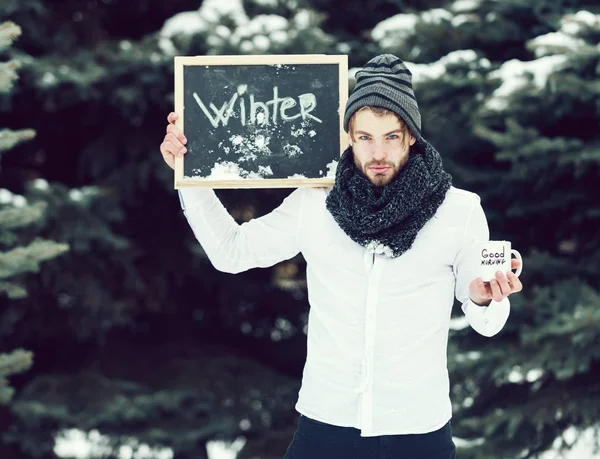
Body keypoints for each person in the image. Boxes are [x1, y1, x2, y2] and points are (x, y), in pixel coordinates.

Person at [159, 54, 523, 459]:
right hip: (325, 425)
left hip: (418, 431)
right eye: (365, 137)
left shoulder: (459, 210)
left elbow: (488, 322)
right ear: (349, 136)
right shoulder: (315, 203)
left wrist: (483, 298)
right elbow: (231, 252)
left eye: (392, 136)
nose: (377, 152)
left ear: (413, 138)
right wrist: (187, 176)